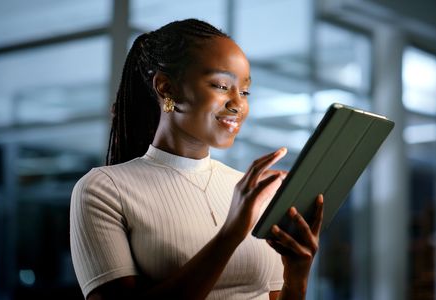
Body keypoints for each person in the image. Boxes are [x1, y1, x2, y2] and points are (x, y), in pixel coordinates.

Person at [70, 18, 324, 300]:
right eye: (220, 85)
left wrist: (297, 276)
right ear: (166, 88)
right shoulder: (103, 189)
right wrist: (231, 232)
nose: (238, 104)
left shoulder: (247, 191)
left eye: (245, 91)